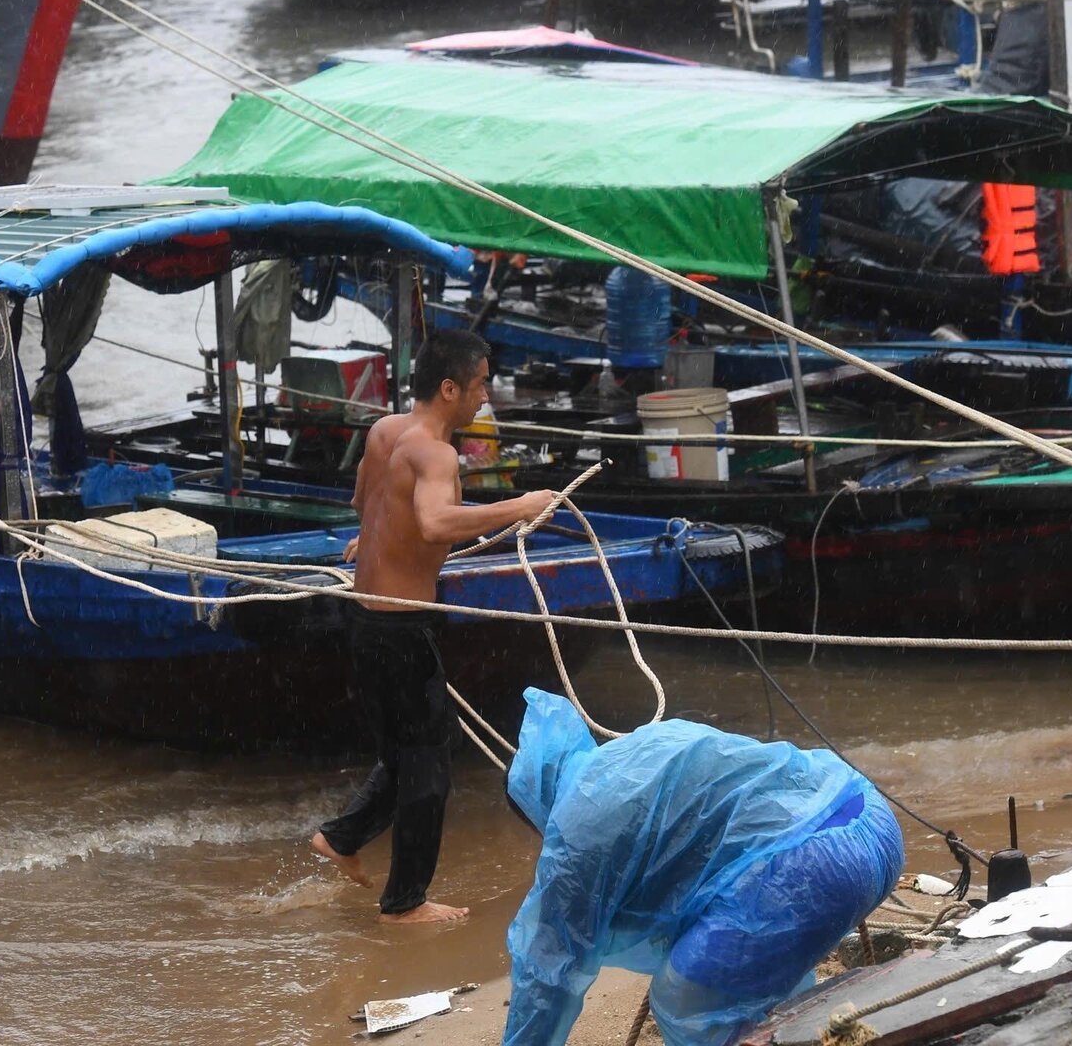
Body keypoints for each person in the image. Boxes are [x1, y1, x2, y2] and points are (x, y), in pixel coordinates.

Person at [310, 329, 558, 924]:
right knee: (430, 762)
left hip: (364, 619)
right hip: (400, 629)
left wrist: (372, 538)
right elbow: (435, 522)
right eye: (479, 385)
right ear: (449, 388)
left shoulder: (384, 431)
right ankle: (404, 904)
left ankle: (340, 840)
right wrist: (520, 506)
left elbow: (366, 504)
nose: (484, 396)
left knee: (404, 753)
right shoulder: (437, 452)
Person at [502, 689, 904, 1046]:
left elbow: (547, 973)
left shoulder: (576, 832)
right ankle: (802, 1028)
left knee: (683, 1002)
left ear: (537, 806)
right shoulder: (633, 750)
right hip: (869, 817)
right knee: (746, 973)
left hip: (815, 868)